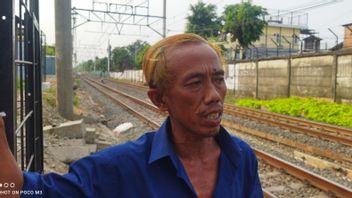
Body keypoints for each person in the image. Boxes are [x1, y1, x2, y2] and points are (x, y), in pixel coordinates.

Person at [0, 33, 263, 198]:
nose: (214, 95)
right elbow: (19, 192)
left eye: (218, 79)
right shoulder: (119, 167)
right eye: (195, 83)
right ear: (159, 99)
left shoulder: (241, 157)